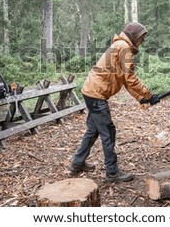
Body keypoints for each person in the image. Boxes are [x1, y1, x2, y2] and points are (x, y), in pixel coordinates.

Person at [68, 22, 160, 182]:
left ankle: (77, 163)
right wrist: (149, 95)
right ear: (134, 36)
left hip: (91, 91)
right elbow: (131, 79)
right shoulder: (124, 48)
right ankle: (112, 172)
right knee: (108, 132)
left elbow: (125, 80)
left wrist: (141, 98)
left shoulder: (120, 45)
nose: (143, 41)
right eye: (142, 37)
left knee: (93, 130)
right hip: (96, 94)